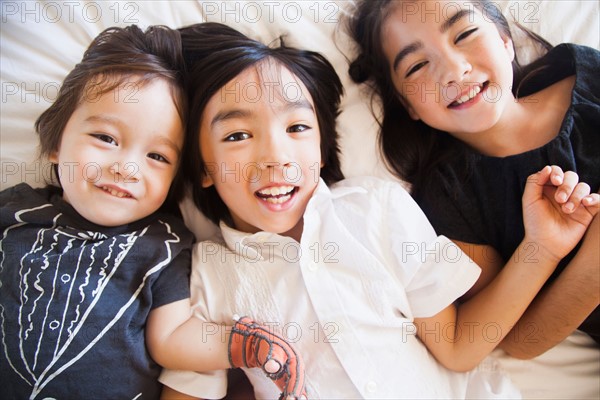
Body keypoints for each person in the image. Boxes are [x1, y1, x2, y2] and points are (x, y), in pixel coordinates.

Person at [158, 22, 598, 399]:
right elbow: (189, 385)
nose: (276, 157)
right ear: (202, 168)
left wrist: (541, 247)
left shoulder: (377, 208)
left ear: (323, 151)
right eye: (236, 136)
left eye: (296, 127)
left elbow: (459, 346)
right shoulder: (204, 275)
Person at [0, 25, 304, 400]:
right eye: (105, 139)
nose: (127, 168)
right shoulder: (15, 212)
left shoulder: (164, 245)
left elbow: (171, 338)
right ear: (55, 143)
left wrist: (242, 346)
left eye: (157, 157)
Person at [346, 0, 600, 359]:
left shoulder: (586, 73)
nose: (454, 69)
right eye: (417, 66)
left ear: (504, 40)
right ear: (409, 107)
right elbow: (517, 340)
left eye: (464, 34)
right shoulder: (450, 197)